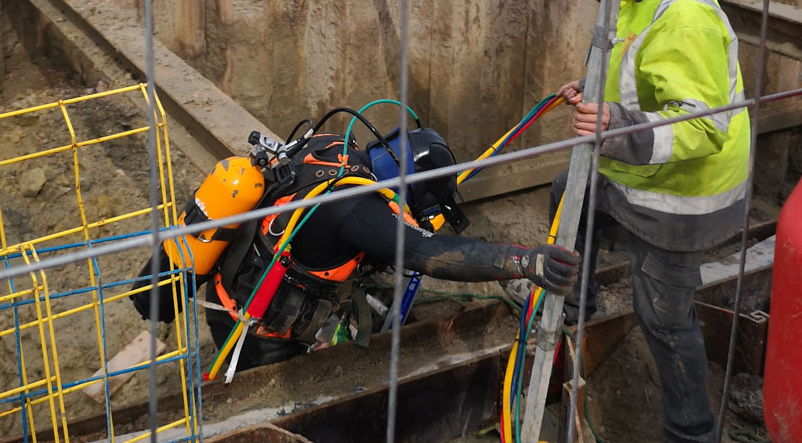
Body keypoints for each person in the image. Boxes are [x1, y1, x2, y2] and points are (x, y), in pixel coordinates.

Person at [548, 0, 750, 443]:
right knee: (568, 196)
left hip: (686, 194)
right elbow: (634, 71)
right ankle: (573, 317)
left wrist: (613, 124)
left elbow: (703, 125)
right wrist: (591, 90)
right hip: (643, 173)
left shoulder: (681, 13)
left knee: (662, 316)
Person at [133, 117, 579, 371]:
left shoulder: (334, 148)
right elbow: (430, 254)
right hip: (256, 334)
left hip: (232, 285)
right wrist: (523, 260)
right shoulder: (357, 209)